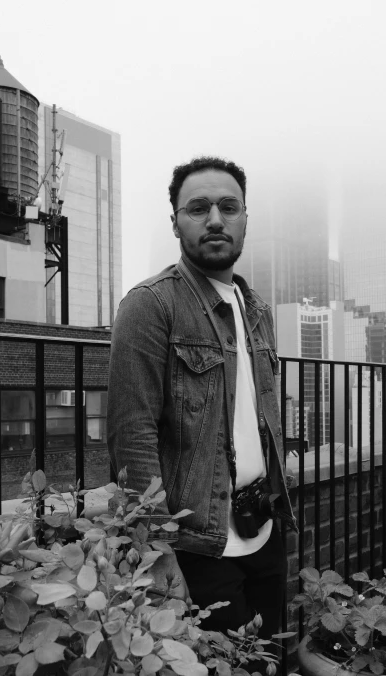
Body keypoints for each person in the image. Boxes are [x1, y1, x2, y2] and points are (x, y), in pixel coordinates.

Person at [107, 156, 295, 641]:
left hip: (262, 530)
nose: (215, 219)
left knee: (271, 675)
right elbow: (132, 436)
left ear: (245, 218)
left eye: (229, 207)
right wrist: (157, 548)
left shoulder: (256, 310)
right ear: (175, 222)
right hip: (197, 548)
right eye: (198, 208)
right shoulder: (151, 305)